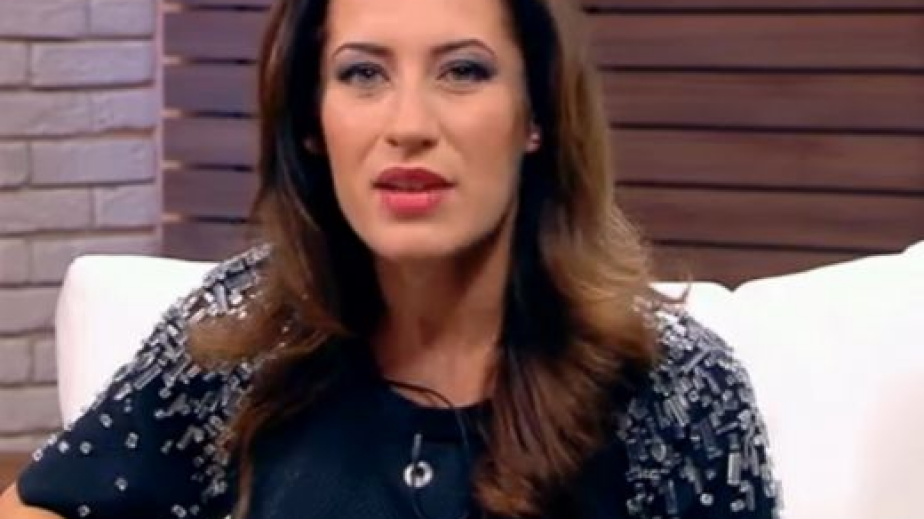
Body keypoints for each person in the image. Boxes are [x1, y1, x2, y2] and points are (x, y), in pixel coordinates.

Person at [0, 0, 780, 517]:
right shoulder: (242, 336)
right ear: (314, 120)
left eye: (463, 70)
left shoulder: (675, 387)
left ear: (534, 116)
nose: (408, 124)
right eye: (363, 73)